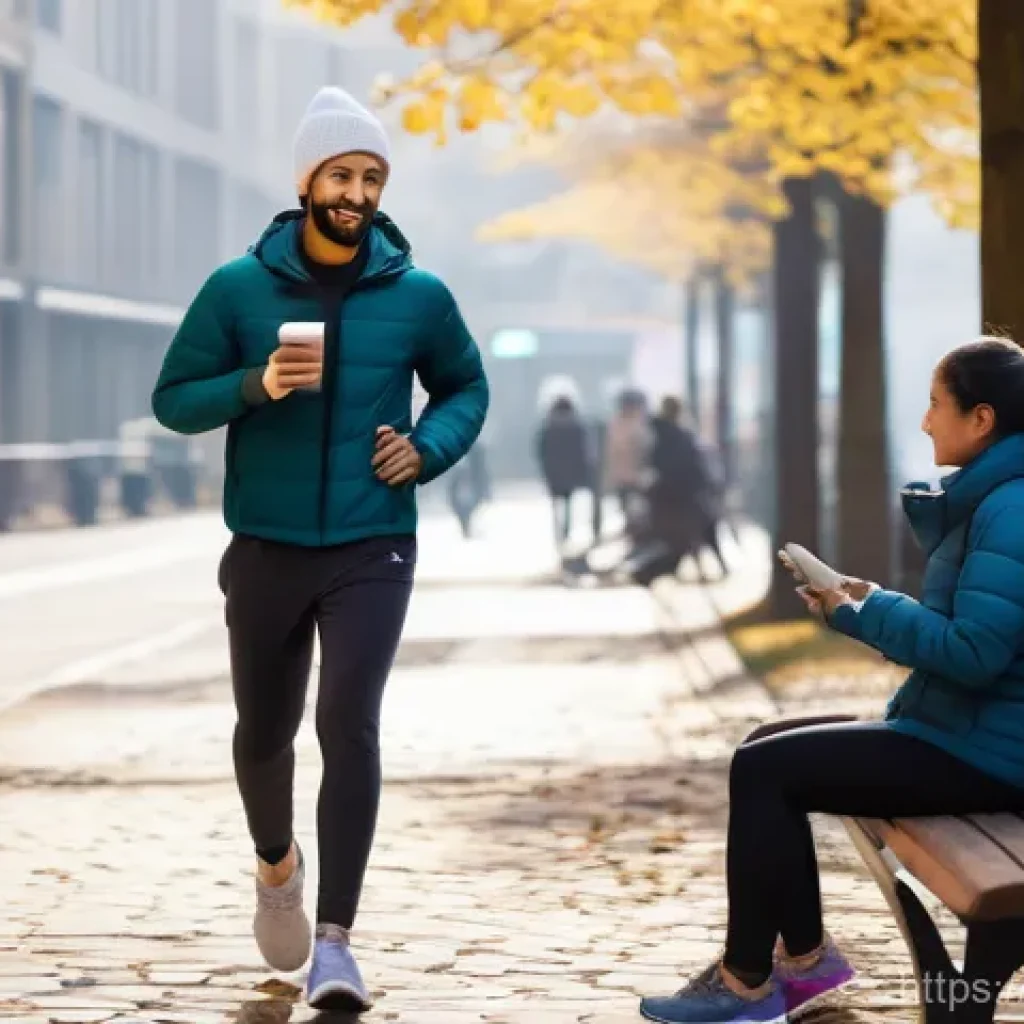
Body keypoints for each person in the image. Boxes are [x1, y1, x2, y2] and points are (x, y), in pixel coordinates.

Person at [151, 87, 488, 1013]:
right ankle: (276, 866)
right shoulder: (237, 288)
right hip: (264, 544)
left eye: (372, 177)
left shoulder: (419, 295)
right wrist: (255, 385)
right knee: (265, 733)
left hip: (372, 543)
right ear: (308, 183)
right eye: (342, 174)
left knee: (350, 723)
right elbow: (174, 399)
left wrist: (425, 449)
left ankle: (337, 941)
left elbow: (465, 387)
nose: (358, 191)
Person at [640, 337, 1024, 1024]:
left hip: (992, 756)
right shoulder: (999, 499)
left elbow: (973, 653)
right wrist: (866, 598)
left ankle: (751, 980)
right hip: (974, 735)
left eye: (937, 405)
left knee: (765, 769)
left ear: (983, 419)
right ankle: (802, 959)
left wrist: (868, 613)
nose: (925, 421)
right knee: (768, 742)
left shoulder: (1011, 508)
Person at [536, 395, 592, 547]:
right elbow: (582, 452)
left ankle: (558, 533)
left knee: (556, 505)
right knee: (568, 504)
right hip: (569, 473)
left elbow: (542, 451)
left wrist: (546, 469)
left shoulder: (548, 427)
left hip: (554, 473)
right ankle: (565, 532)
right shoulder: (576, 427)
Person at [603, 389, 653, 527]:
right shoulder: (638, 425)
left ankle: (634, 531)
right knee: (631, 510)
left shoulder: (617, 425)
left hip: (629, 477)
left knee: (634, 510)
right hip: (632, 477)